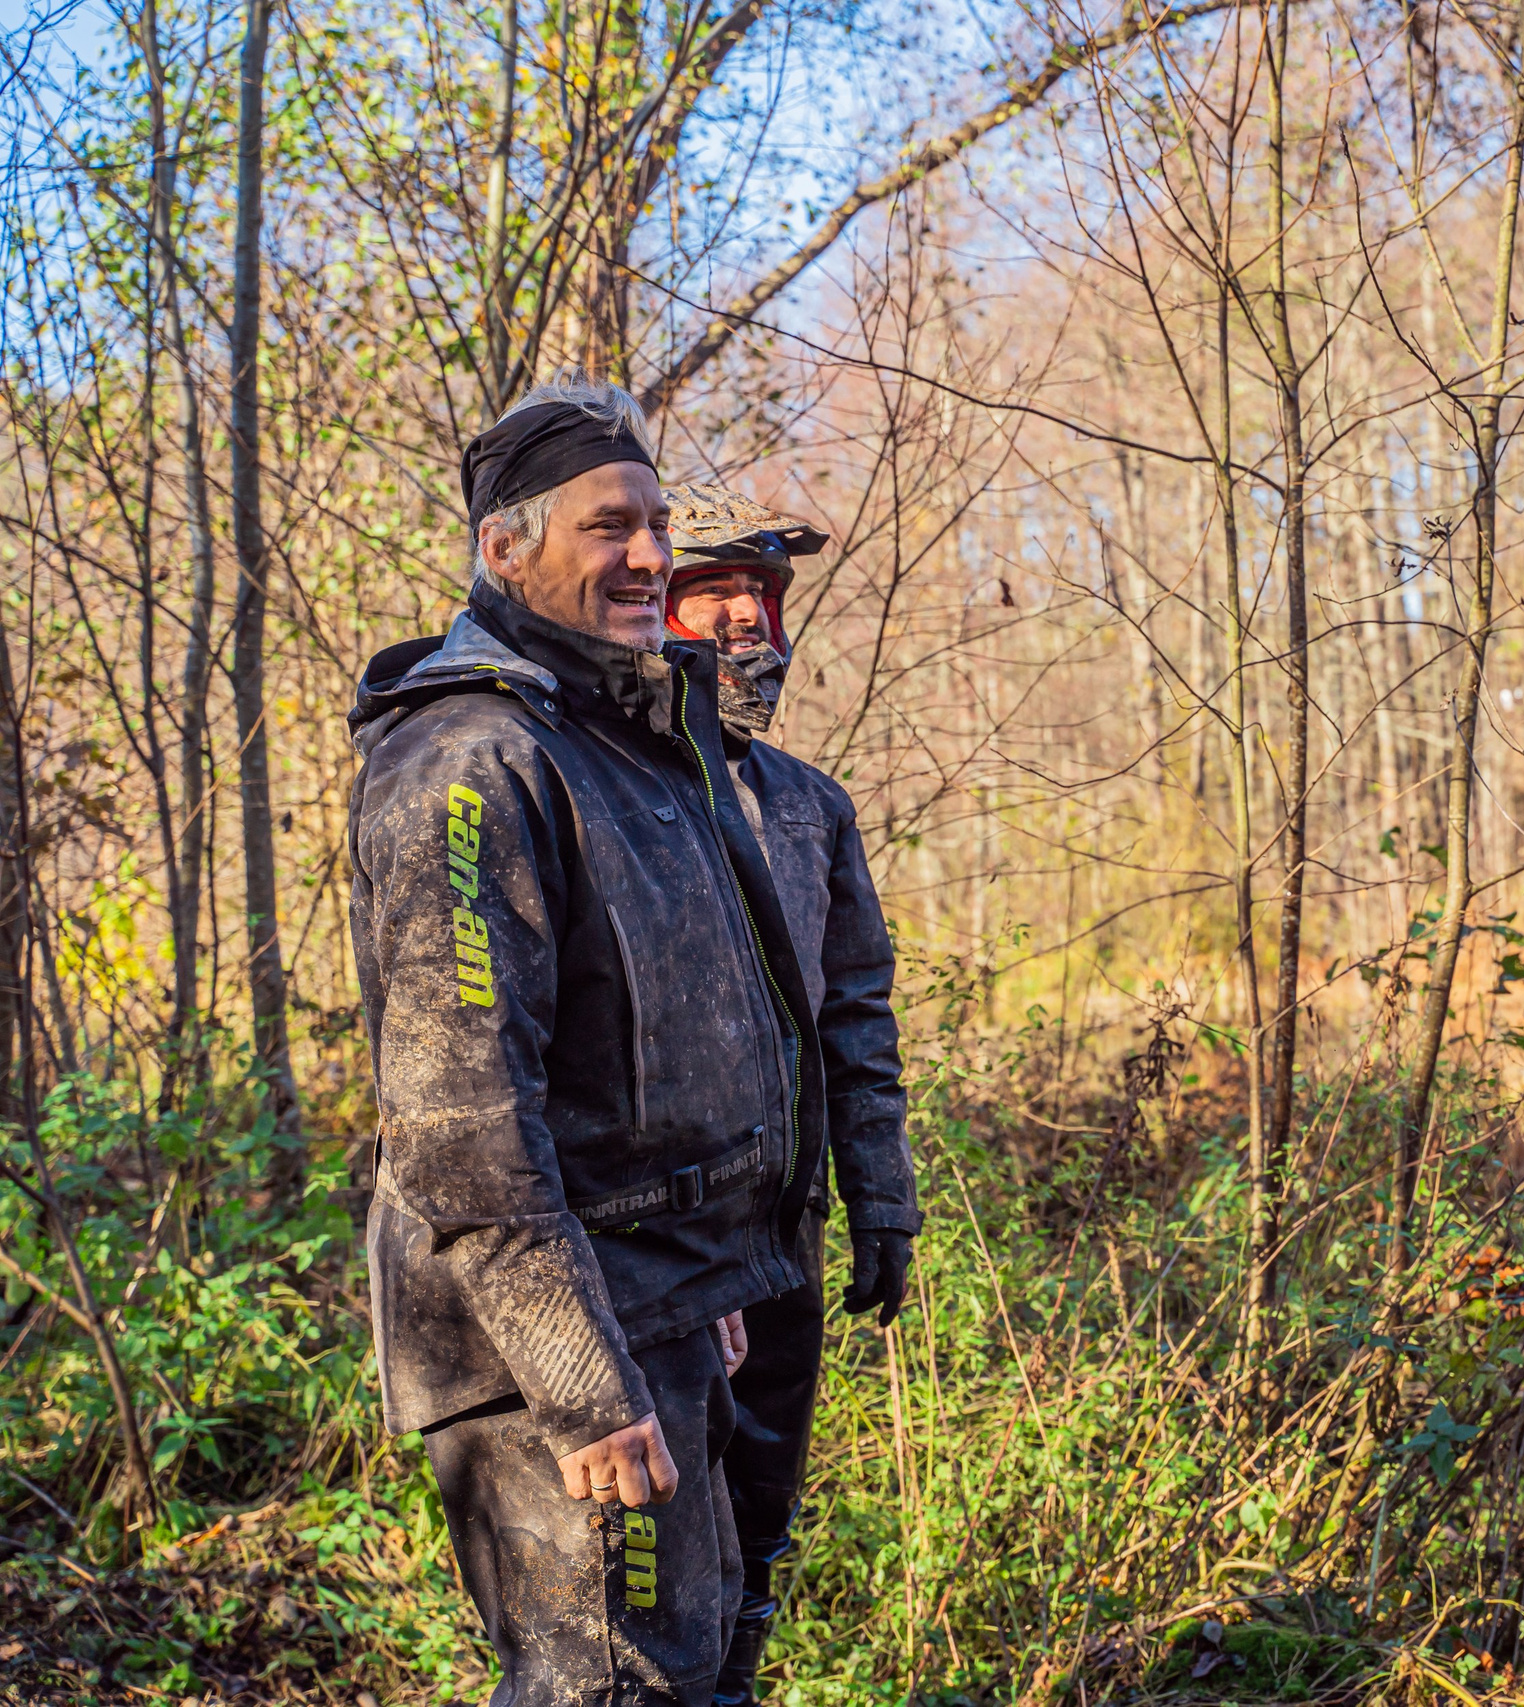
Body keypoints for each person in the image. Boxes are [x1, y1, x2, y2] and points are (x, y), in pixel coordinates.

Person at [347, 374, 828, 1706]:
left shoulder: (621, 737)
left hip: (657, 1299)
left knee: (694, 1660)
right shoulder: (470, 754)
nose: (650, 556)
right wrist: (584, 1375)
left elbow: (654, 1061)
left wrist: (704, 1276)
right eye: (608, 525)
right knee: (611, 1687)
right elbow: (460, 1127)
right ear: (504, 546)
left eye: (657, 523)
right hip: (548, 1339)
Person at [659, 482, 918, 1704]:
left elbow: (855, 1013)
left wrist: (882, 1200)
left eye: (757, 602)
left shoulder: (813, 808)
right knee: (656, 1545)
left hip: (786, 1228)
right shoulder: (620, 800)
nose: (744, 629)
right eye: (712, 599)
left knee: (761, 1511)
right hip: (651, 1244)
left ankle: (735, 1683)